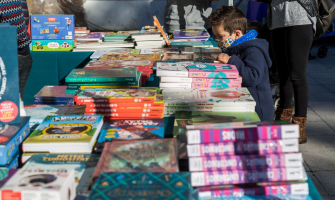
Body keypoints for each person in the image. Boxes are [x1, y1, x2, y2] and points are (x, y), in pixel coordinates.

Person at [209, 5, 274, 121]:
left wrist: (231, 61)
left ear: (237, 34)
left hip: (258, 111)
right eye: (216, 36)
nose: (218, 40)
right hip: (246, 105)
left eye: (221, 36)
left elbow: (252, 77)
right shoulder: (237, 46)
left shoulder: (253, 51)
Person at [265, 0, 315, 144]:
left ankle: (299, 127)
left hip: (300, 20)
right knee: (283, 75)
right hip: (276, 21)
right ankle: (282, 120)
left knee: (297, 76)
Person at [0, 0, 33, 106]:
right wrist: (22, 43)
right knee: (9, 108)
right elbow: (9, 9)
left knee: (10, 108)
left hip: (13, 49)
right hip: (11, 51)